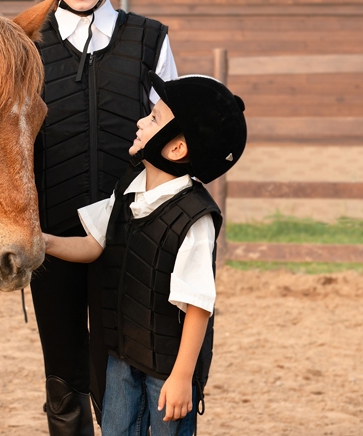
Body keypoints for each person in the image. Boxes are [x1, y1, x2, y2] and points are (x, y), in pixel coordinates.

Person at [29, 0, 178, 435]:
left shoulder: (150, 41)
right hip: (55, 238)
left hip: (131, 240)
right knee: (64, 375)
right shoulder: (26, 46)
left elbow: (171, 140)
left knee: (122, 370)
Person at [43, 73, 247, 435]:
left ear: (177, 148)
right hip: (121, 358)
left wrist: (183, 377)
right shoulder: (128, 189)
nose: (141, 121)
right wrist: (42, 242)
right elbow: (94, 245)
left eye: (153, 118)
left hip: (168, 369)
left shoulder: (194, 219)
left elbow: (198, 305)